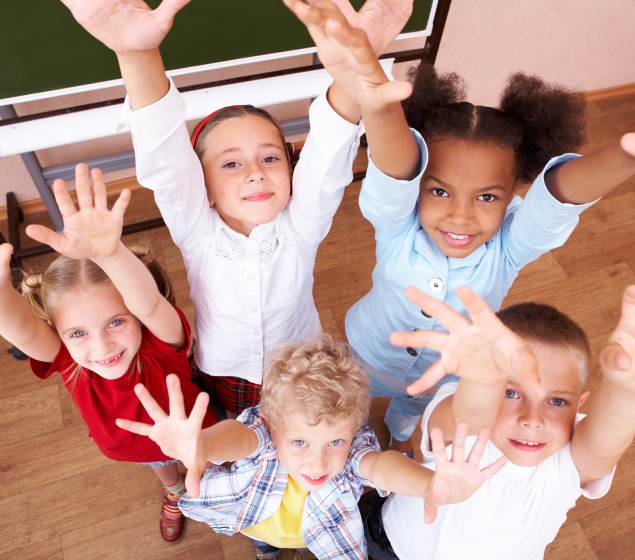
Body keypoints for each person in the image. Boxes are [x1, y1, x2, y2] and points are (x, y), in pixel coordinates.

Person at [284, 0, 635, 457]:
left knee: (412, 409)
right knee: (349, 406)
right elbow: (394, 167)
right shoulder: (397, 222)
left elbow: (559, 195)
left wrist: (626, 154)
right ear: (419, 187)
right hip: (365, 354)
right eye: (440, 191)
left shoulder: (510, 245)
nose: (461, 216)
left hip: (449, 373)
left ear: (512, 197)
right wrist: (375, 102)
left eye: (487, 197)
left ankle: (400, 426)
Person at [58, 0, 414, 416]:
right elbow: (165, 154)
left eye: (269, 158)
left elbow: (331, 150)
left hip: (302, 368)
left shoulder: (301, 223)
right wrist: (135, 55)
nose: (255, 173)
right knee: (238, 435)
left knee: (298, 436)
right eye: (230, 163)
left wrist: (356, 69)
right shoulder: (196, 230)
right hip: (224, 373)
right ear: (202, 186)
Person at [117, 333, 508, 560]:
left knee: (306, 542)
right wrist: (203, 444)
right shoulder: (263, 433)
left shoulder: (354, 449)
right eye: (300, 441)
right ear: (271, 426)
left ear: (354, 430)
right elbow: (237, 439)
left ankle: (300, 547)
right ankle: (266, 552)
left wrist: (428, 484)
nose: (318, 460)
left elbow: (381, 465)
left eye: (335, 441)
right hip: (256, 519)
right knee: (264, 542)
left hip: (319, 530)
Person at [0, 164, 217, 543]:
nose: (101, 347)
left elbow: (148, 304)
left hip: (200, 437)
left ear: (135, 313)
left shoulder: (161, 340)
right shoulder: (68, 358)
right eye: (78, 333)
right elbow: (25, 332)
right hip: (132, 447)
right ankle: (174, 492)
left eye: (116, 322)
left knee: (212, 468)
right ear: (60, 334)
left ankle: (217, 489)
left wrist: (110, 253)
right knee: (160, 465)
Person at [357, 284, 634, 560]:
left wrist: (626, 389)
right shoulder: (464, 418)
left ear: (579, 407)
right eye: (511, 393)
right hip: (388, 543)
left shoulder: (567, 463)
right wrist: (487, 375)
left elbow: (605, 441)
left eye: (557, 401)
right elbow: (467, 416)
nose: (532, 420)